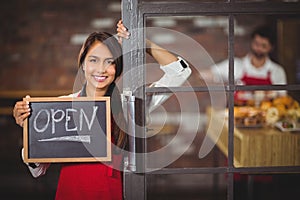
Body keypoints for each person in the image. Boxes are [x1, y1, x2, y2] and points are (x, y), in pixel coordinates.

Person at [13, 20, 191, 200]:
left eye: (110, 62)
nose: (101, 69)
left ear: (118, 68)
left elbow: (180, 72)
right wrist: (30, 130)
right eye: (93, 60)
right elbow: (38, 170)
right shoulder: (63, 105)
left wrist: (142, 42)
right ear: (83, 64)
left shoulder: (130, 105)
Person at [202, 25, 287, 105]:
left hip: (266, 118)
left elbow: (283, 98)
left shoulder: (277, 71)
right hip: (238, 117)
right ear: (251, 42)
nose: (259, 48)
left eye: (263, 46)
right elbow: (206, 74)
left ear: (271, 48)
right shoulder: (236, 65)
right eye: (256, 44)